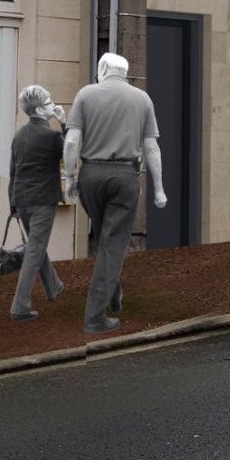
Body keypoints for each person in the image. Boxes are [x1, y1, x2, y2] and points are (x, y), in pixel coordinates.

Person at [63, 53, 167, 335]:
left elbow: (72, 140)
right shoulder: (143, 99)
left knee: (105, 237)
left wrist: (69, 178)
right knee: (112, 244)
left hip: (91, 176)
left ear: (105, 68)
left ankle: (113, 294)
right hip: (124, 177)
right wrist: (158, 188)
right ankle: (94, 317)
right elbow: (152, 148)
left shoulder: (85, 94)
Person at [7, 85, 67, 321]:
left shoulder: (18, 135)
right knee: (35, 250)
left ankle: (53, 287)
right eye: (50, 102)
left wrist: (12, 202)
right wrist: (64, 123)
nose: (53, 104)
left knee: (36, 245)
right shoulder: (52, 136)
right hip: (43, 201)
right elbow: (69, 153)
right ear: (41, 109)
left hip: (21, 200)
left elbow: (13, 171)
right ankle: (19, 307)